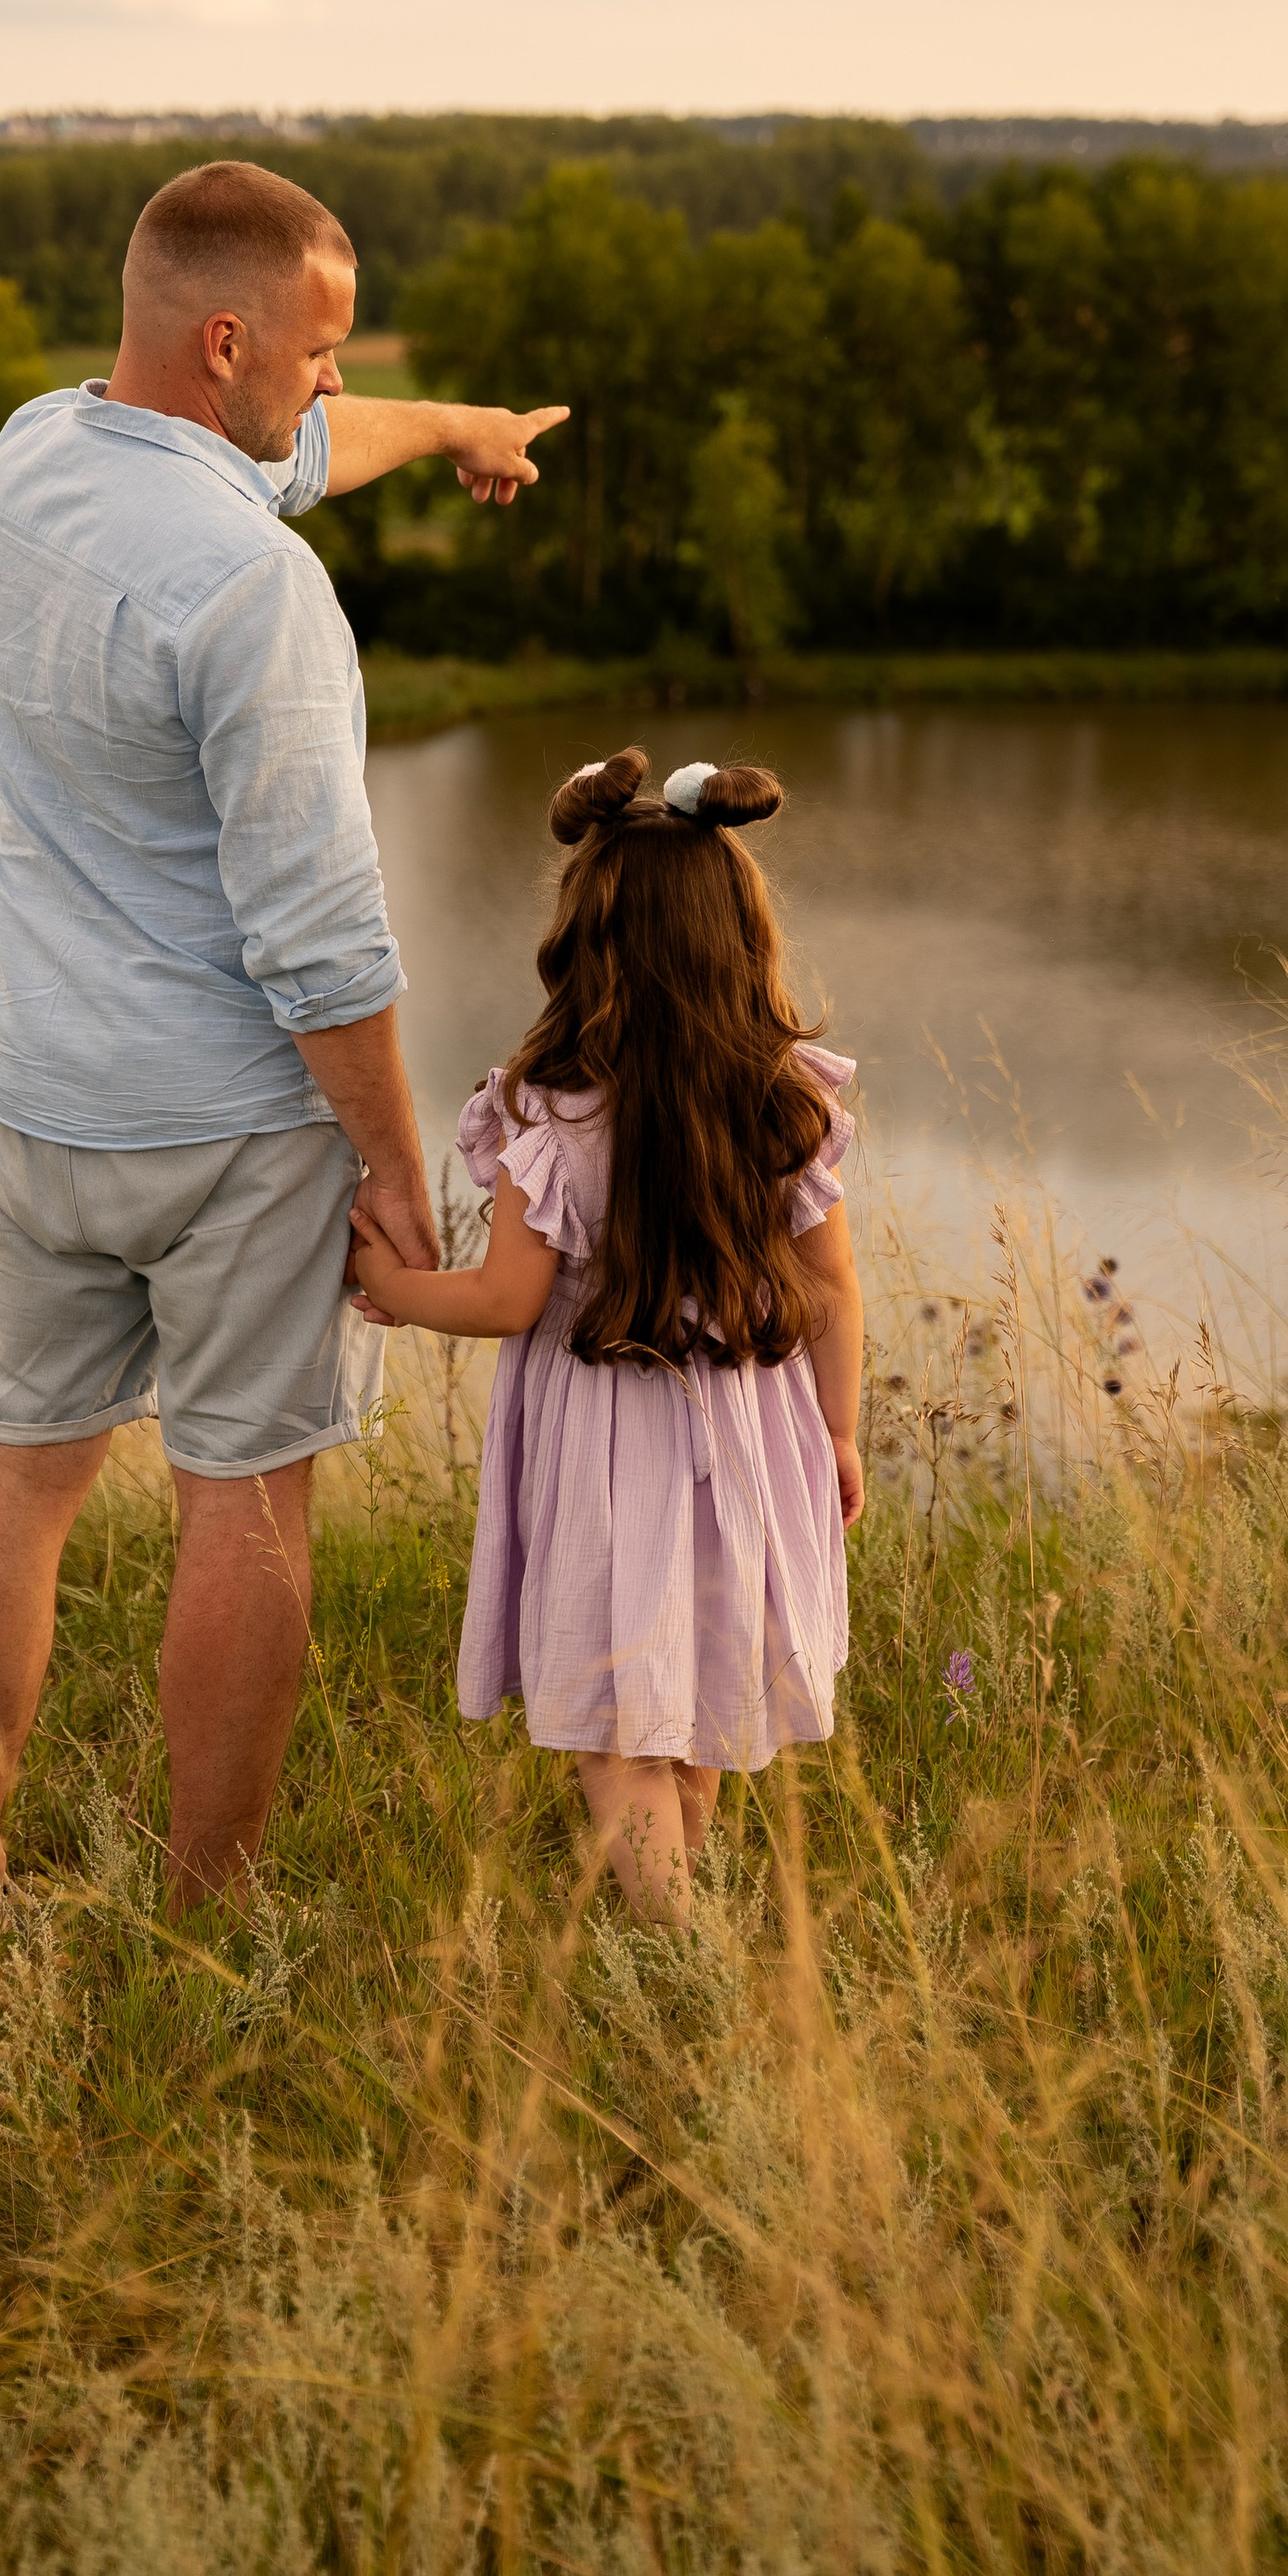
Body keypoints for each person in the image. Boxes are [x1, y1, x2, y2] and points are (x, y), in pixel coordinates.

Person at [0, 157, 567, 1945]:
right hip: (227, 1130)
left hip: (39, 1098)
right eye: (321, 346)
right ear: (225, 343)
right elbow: (323, 948)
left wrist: (457, 429)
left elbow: (299, 452)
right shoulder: (256, 594)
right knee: (249, 1508)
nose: (336, 379)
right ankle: (201, 1928)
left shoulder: (34, 458)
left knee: (14, 1481)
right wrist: (396, 1168)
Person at [348, 744, 862, 1925]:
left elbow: (504, 1300)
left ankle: (681, 1951)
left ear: (586, 942)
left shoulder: (558, 1116)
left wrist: (388, 1283)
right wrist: (839, 1434)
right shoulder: (782, 1101)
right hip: (752, 1433)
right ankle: (688, 1914)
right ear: (743, 938)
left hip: (607, 1445)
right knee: (695, 1695)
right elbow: (833, 1287)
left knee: (614, 1722)